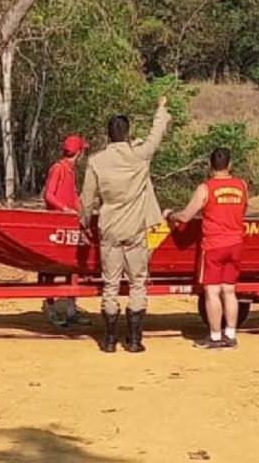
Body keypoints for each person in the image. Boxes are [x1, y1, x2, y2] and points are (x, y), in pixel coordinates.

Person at [80, 96, 172, 353]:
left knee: (110, 284)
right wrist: (161, 108)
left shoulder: (96, 162)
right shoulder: (139, 156)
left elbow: (87, 200)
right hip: (135, 230)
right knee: (137, 283)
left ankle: (109, 340)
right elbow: (156, 134)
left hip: (109, 228)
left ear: (108, 135)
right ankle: (134, 340)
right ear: (128, 133)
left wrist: (84, 221)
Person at [166, 148, 248, 350]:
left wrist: (170, 214)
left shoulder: (206, 188)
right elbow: (244, 208)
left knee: (212, 292)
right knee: (229, 291)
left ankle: (214, 336)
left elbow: (186, 216)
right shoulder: (242, 185)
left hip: (214, 247)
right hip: (236, 244)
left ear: (210, 166)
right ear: (230, 165)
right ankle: (230, 335)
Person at [40, 135, 92, 327]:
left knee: (73, 267)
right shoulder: (58, 168)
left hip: (69, 224)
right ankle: (52, 310)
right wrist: (64, 209)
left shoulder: (70, 171)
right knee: (49, 270)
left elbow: (74, 196)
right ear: (78, 153)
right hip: (55, 225)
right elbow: (49, 195)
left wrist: (82, 210)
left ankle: (71, 310)